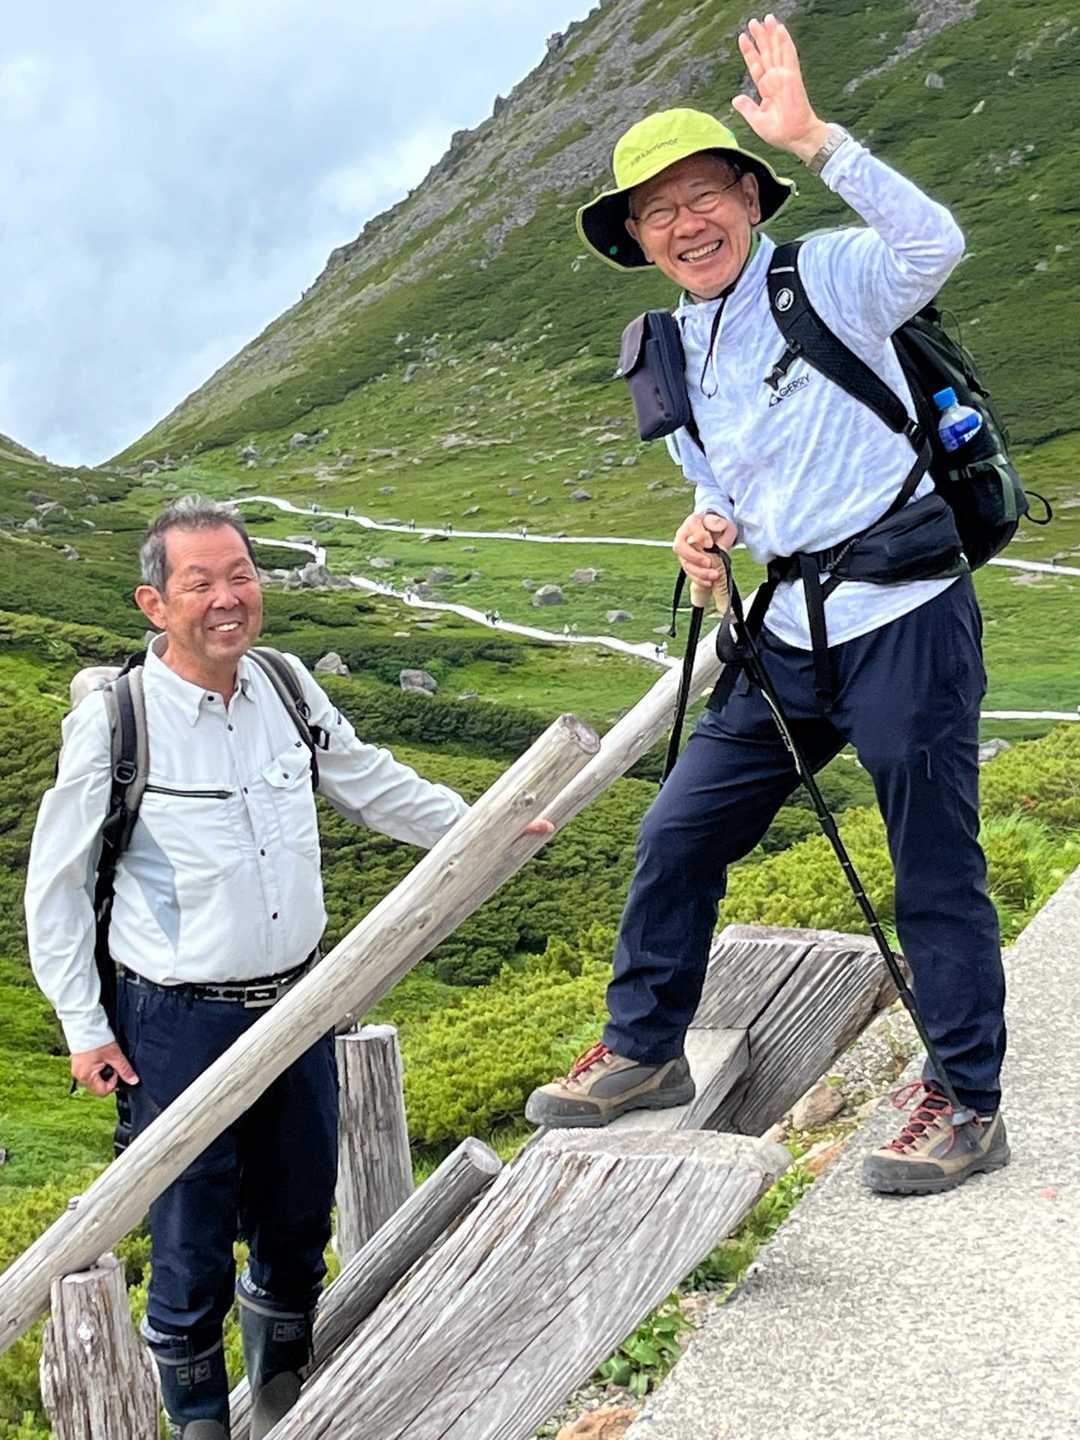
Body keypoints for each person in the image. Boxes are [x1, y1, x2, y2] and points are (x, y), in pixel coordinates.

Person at [526, 16, 1008, 1197]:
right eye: (658, 211)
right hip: (786, 636)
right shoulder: (669, 348)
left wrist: (816, 139)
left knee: (931, 865)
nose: (686, 223)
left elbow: (936, 242)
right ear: (637, 240)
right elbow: (722, 479)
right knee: (676, 832)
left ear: (750, 196)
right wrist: (708, 526)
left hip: (906, 616)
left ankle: (966, 1101)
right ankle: (645, 1050)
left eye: (705, 195)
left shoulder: (828, 278)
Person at [25, 496, 551, 1439]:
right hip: (174, 1019)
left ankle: (283, 1390)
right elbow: (56, 887)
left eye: (241, 575)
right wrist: (84, 1025)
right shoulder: (117, 721)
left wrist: (484, 824)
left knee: (300, 1208)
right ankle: (200, 1419)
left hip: (301, 1002)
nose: (227, 598)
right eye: (200, 583)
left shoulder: (286, 684)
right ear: (155, 604)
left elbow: (366, 778)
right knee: (189, 1230)